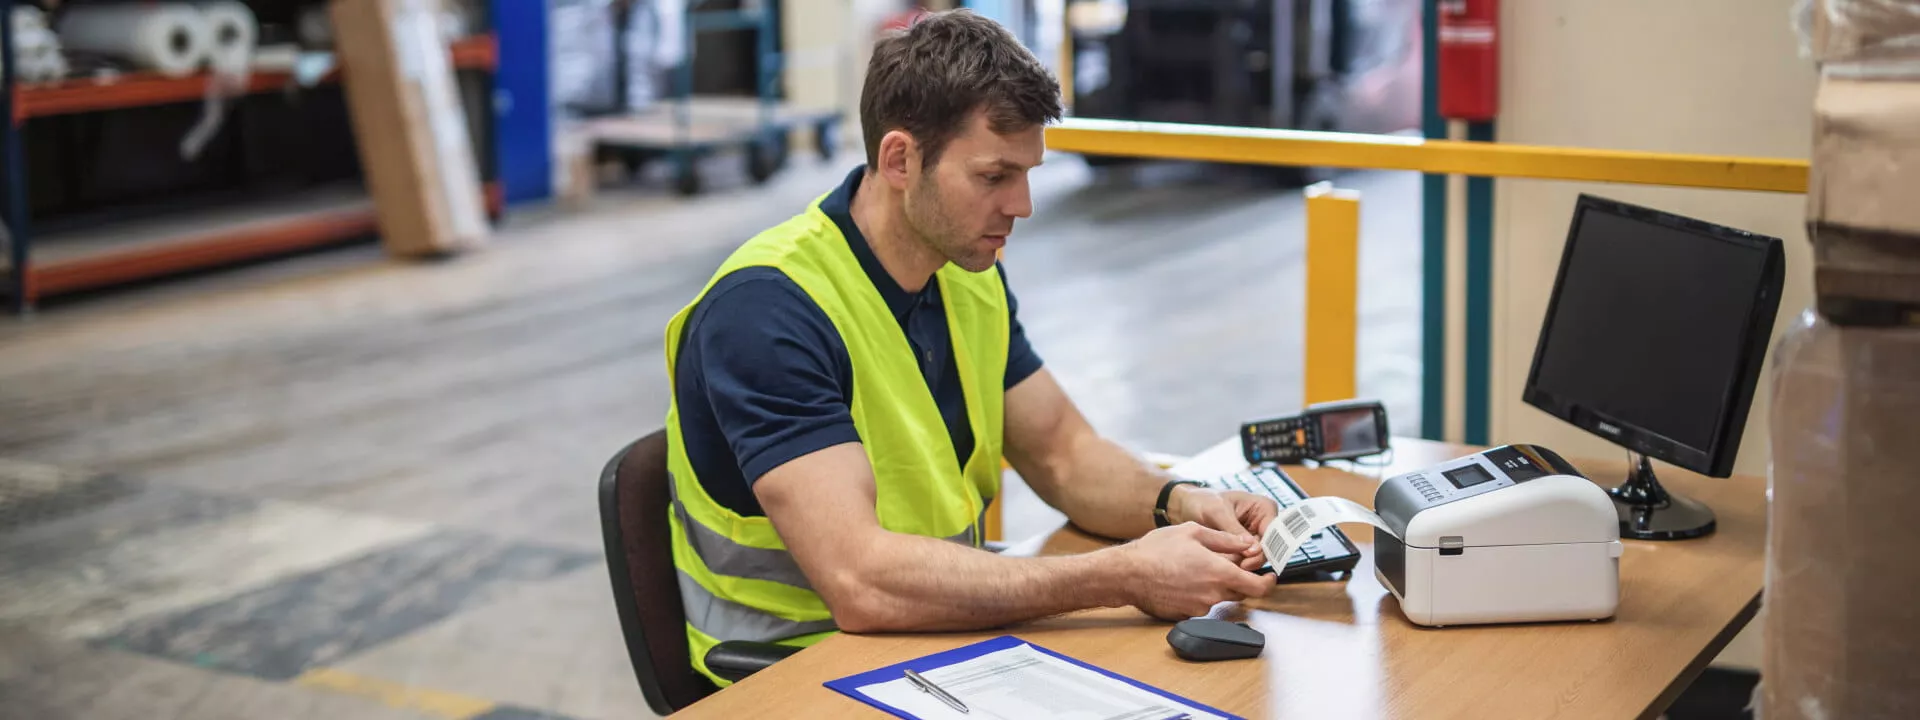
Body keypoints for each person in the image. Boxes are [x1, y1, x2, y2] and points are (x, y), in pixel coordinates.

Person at [661, 9, 1279, 685]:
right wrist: (1123, 574)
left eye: (1027, 173)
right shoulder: (768, 312)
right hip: (795, 674)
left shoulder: (964, 275)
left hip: (935, 642)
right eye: (994, 176)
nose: (1023, 204)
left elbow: (1064, 454)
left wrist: (1181, 502)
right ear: (900, 159)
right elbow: (860, 580)